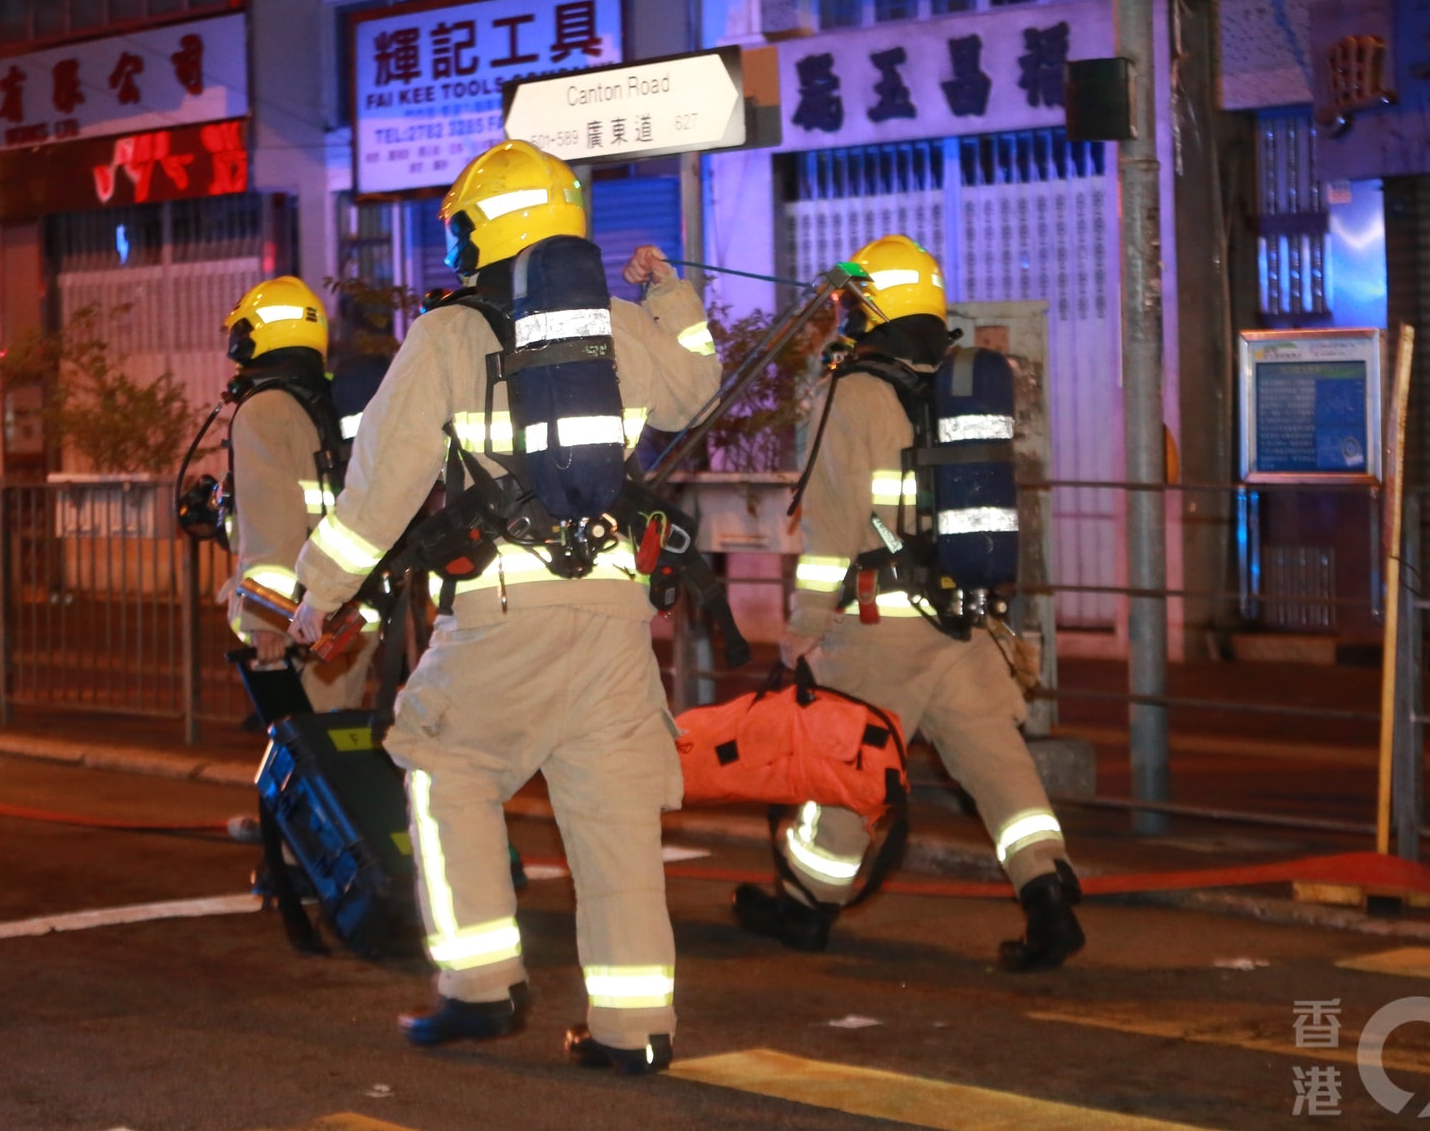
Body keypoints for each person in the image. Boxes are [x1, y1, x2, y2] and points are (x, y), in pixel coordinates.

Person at [288, 139, 720, 1074]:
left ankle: (481, 988)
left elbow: (380, 492)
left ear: (487, 230)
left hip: (502, 615)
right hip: (614, 622)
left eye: (460, 230)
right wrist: (672, 295)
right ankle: (631, 1030)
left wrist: (316, 594)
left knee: (444, 767)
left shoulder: (449, 334)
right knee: (615, 828)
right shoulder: (618, 323)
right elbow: (695, 392)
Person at [732, 233, 1086, 971]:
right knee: (997, 763)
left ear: (870, 308)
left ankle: (806, 905)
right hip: (966, 618)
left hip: (882, 623)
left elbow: (830, 530)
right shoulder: (956, 382)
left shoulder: (852, 392)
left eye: (850, 304)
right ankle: (1047, 891)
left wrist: (802, 629)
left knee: (849, 765)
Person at [222, 275, 377, 713]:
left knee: (309, 759)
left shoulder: (263, 411)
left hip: (302, 622)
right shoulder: (327, 401)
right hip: (352, 610)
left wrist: (265, 619)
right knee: (338, 744)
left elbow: (275, 520)